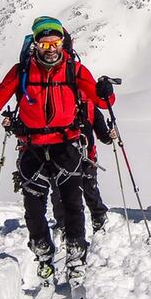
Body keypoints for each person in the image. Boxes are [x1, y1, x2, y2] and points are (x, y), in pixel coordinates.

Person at [0, 16, 116, 283]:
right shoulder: (21, 72)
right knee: (33, 208)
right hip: (32, 148)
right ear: (35, 45)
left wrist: (106, 91)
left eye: (56, 42)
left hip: (66, 146)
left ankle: (76, 256)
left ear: (62, 43)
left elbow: (100, 100)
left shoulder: (74, 70)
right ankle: (42, 252)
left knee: (73, 203)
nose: (51, 48)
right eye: (45, 43)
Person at [51, 99, 112, 236]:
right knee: (60, 192)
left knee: (89, 188)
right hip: (63, 157)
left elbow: (102, 131)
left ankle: (98, 218)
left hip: (86, 156)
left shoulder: (89, 106)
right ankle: (63, 225)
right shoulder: (58, 101)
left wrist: (109, 137)